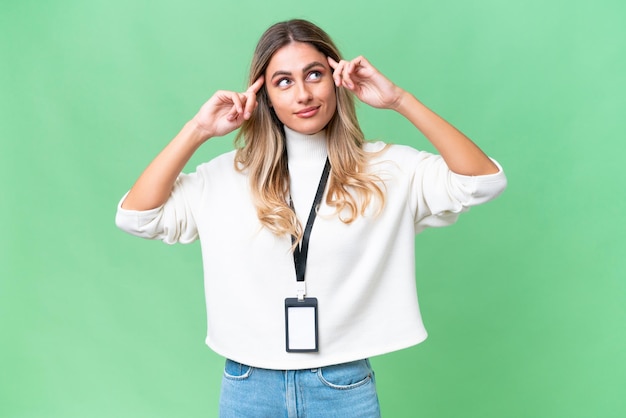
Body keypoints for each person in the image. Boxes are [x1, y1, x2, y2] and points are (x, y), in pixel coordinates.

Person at [115, 18, 506, 417]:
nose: (303, 94)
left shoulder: (385, 169)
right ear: (263, 95)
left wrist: (399, 100)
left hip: (340, 385)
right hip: (249, 385)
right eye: (283, 81)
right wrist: (198, 129)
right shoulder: (224, 176)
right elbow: (136, 216)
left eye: (314, 74)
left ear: (338, 78)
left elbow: (484, 181)